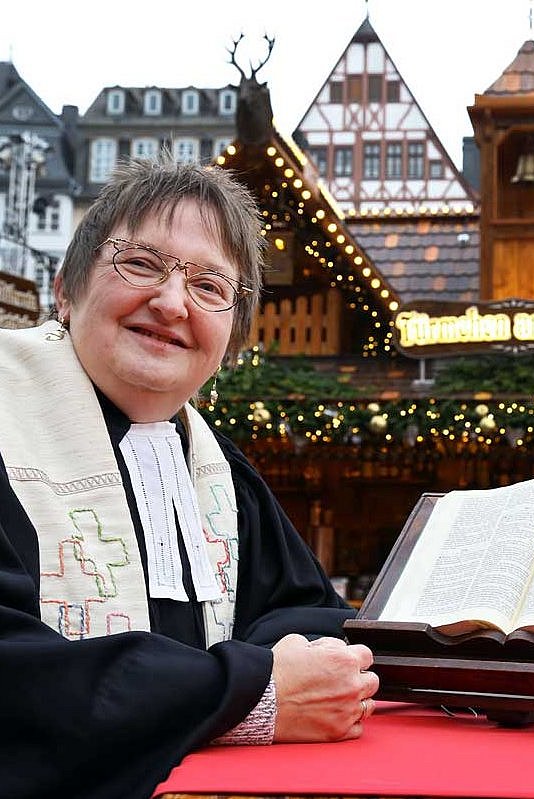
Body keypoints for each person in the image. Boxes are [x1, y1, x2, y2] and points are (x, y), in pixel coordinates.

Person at [0, 156, 379, 799]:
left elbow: (307, 613)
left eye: (209, 287)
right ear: (66, 289)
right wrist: (243, 693)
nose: (172, 303)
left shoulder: (220, 472)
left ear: (230, 337)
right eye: (141, 263)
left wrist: (248, 679)